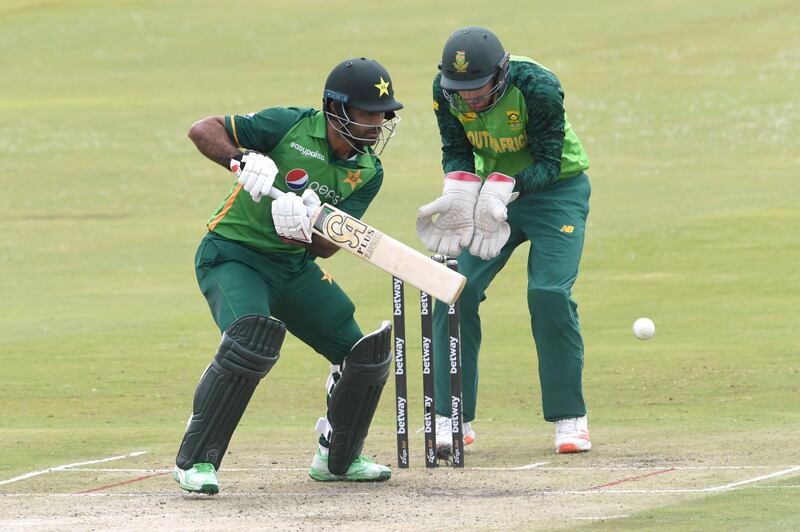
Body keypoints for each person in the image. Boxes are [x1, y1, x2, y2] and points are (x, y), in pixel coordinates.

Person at [174, 57, 403, 494]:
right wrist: (241, 160)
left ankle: (338, 458)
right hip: (233, 255)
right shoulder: (291, 125)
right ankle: (195, 461)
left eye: (383, 114)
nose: (378, 123)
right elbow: (203, 130)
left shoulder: (369, 172)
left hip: (293, 267)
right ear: (336, 109)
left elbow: (329, 245)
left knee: (364, 353)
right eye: (368, 113)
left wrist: (305, 225)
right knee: (249, 341)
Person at [416, 27, 592, 455]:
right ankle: (451, 415)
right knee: (454, 289)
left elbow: (550, 160)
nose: (470, 99)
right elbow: (455, 148)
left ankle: (570, 417)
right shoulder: (447, 92)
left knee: (548, 292)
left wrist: (507, 186)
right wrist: (459, 188)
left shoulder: (538, 86)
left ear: (501, 73)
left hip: (556, 192)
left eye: (478, 89)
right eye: (461, 90)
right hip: (489, 196)